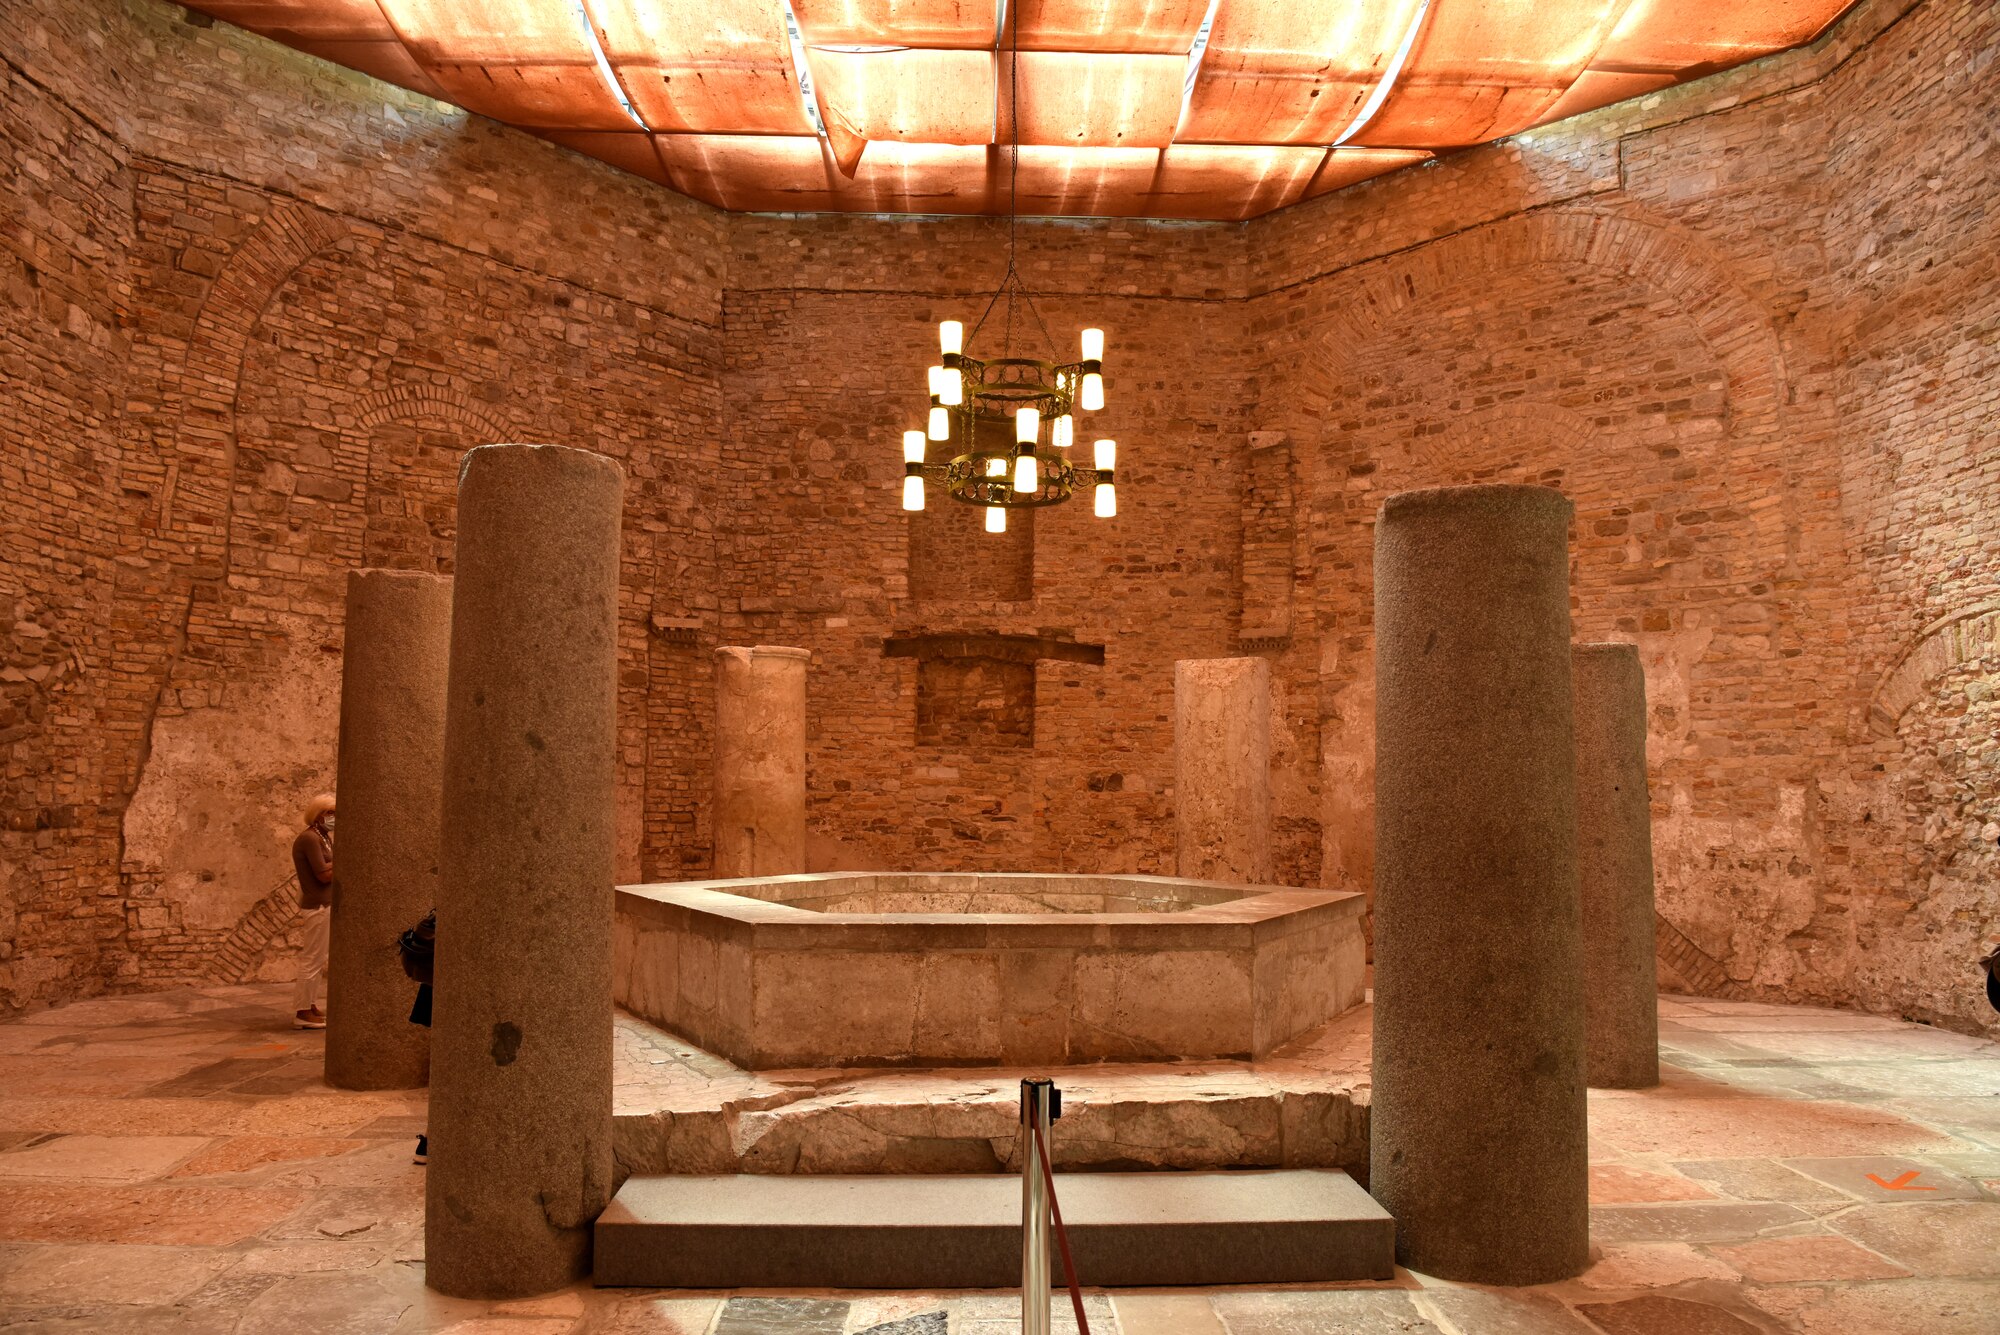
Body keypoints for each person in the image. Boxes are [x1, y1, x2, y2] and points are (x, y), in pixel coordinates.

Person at [289, 793, 335, 1029]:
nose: (333, 817)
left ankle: (310, 1003)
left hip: (324, 904)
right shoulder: (309, 838)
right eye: (329, 813)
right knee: (312, 959)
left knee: (318, 959)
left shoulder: (322, 837)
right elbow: (323, 874)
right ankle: (302, 1011)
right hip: (318, 905)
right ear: (318, 815)